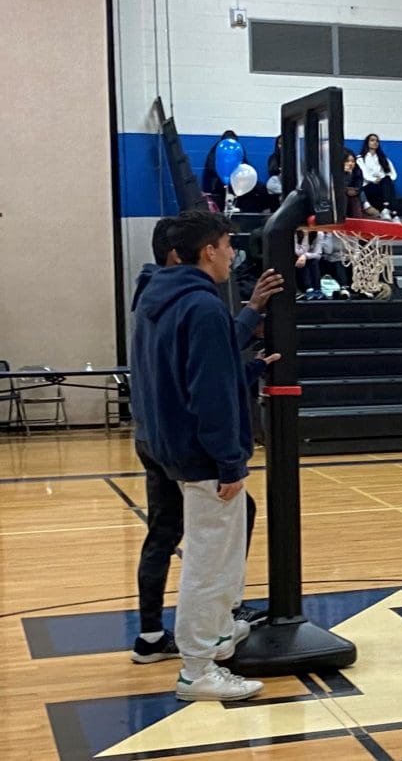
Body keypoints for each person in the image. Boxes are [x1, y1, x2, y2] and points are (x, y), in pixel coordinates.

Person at [131, 210, 279, 702]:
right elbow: (210, 392)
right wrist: (230, 461)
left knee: (216, 552)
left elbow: (198, 366)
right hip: (201, 456)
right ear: (206, 251)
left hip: (169, 444)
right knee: (207, 562)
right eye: (227, 244)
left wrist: (249, 354)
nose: (233, 252)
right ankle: (197, 669)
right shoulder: (202, 306)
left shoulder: (158, 296)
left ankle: (215, 636)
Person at [357, 133, 398, 219]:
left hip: (382, 185)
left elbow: (393, 174)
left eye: (377, 141)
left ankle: (386, 210)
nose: (375, 142)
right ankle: (393, 213)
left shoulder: (383, 158)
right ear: (367, 143)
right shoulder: (361, 158)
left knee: (387, 180)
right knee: (386, 184)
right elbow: (364, 174)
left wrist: (383, 178)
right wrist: (374, 179)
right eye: (372, 140)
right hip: (368, 186)